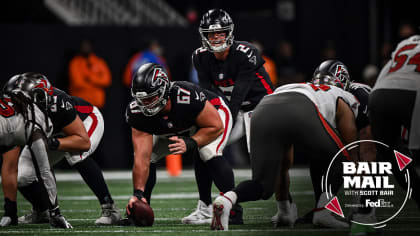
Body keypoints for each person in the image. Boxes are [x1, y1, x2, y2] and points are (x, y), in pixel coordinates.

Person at [210, 78, 360, 231]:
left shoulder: (297, 86)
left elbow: (284, 163)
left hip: (262, 109)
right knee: (343, 157)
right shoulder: (343, 95)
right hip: (300, 106)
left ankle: (229, 199)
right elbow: (351, 144)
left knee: (263, 184)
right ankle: (324, 211)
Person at [124, 63, 236, 226]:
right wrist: (137, 193)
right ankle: (143, 203)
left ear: (163, 91)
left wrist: (191, 142)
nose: (145, 104)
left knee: (208, 151)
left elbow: (215, 126)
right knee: (149, 157)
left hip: (212, 116)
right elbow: (142, 157)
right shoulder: (136, 113)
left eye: (150, 98)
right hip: (178, 127)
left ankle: (234, 210)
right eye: (141, 99)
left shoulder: (186, 96)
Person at [191, 9, 273, 224]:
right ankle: (207, 206)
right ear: (204, 36)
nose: (216, 38)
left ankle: (284, 206)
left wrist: (221, 120)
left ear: (229, 33)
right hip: (230, 109)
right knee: (204, 147)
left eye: (220, 33)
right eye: (211, 34)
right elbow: (207, 95)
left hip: (261, 109)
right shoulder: (200, 57)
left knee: (269, 169)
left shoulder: (245, 53)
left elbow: (239, 95)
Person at [6, 73, 121, 225]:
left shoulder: (58, 104)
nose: (16, 105)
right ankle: (41, 211)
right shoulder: (14, 113)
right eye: (14, 100)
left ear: (39, 98)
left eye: (21, 100)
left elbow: (83, 142)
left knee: (76, 155)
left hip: (85, 121)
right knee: (23, 175)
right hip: (50, 134)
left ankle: (110, 209)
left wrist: (53, 144)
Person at [0, 87, 71, 228]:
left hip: (24, 126)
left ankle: (10, 213)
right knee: (41, 168)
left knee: (11, 167)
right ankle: (53, 213)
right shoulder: (38, 116)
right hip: (28, 126)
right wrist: (55, 213)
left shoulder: (31, 114)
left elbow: (9, 169)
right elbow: (45, 170)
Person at [369, 34, 420, 210]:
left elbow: (387, 70)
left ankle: (363, 215)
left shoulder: (407, 42)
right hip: (413, 93)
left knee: (389, 157)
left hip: (379, 94)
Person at [68, 39, 112, 109]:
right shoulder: (75, 63)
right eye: (84, 46)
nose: (86, 48)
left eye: (87, 46)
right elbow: (78, 83)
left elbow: (106, 80)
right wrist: (96, 84)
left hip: (97, 103)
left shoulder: (98, 61)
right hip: (81, 103)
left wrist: (90, 78)